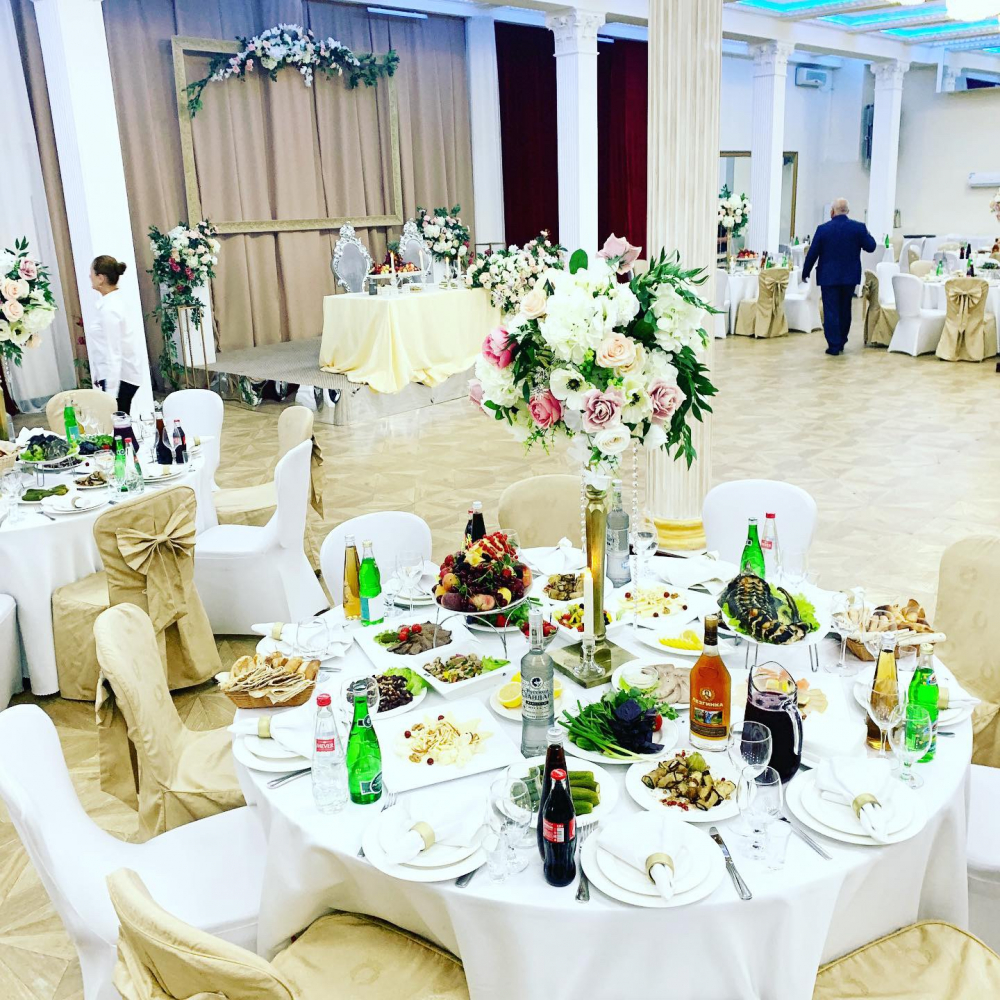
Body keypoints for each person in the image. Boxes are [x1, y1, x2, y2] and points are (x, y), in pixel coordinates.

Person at [802, 198, 877, 356]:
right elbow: (871, 247)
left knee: (831, 310)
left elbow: (813, 253)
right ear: (847, 211)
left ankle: (833, 345)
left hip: (828, 276)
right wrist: (867, 233)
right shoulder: (858, 228)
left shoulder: (823, 229)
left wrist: (805, 271)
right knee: (845, 309)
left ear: (832, 211)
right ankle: (842, 340)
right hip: (849, 277)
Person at [89, 255, 144, 414]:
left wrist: (111, 393)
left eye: (92, 273)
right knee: (120, 424)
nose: (89, 277)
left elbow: (114, 352)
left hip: (120, 377)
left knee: (119, 423)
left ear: (101, 278)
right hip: (117, 375)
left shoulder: (110, 309)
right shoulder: (111, 303)